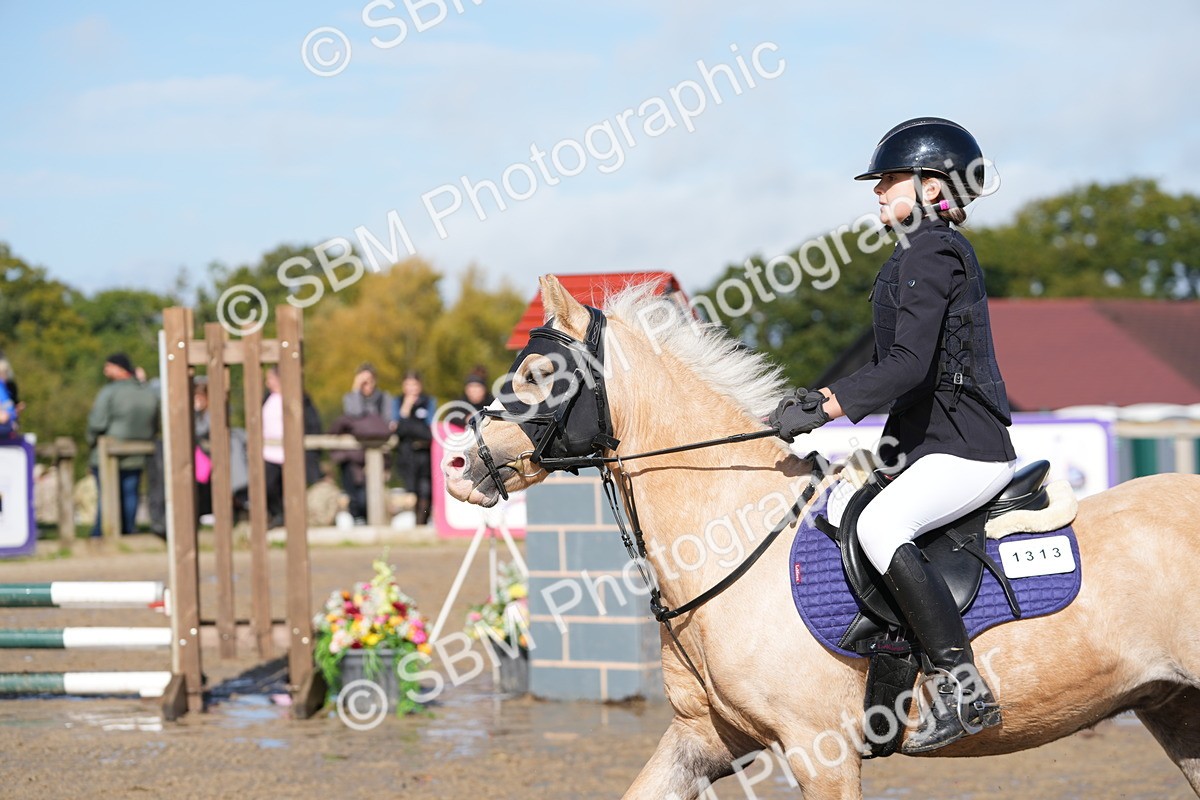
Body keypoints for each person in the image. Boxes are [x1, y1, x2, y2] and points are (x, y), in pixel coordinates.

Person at [769, 118, 1017, 753]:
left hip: (966, 447)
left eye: (889, 179)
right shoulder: (916, 253)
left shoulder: (930, 252)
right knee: (845, 505)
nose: (877, 191)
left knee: (881, 528)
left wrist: (826, 405)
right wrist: (826, 406)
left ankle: (963, 687)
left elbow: (906, 366)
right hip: (930, 444)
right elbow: (912, 378)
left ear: (934, 184)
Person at [86, 353, 159, 536]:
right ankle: (128, 531)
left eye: (108, 366)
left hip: (107, 453)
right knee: (130, 493)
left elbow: (96, 423)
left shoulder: (110, 392)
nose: (105, 370)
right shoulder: (148, 392)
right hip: (138, 453)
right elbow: (155, 423)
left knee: (107, 494)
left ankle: (102, 533)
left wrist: (91, 441)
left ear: (120, 369)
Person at [330, 364, 392, 523]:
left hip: (377, 456)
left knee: (368, 495)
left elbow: (384, 423)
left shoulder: (385, 398)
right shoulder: (350, 397)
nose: (366, 385)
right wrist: (355, 390)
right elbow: (354, 412)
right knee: (354, 495)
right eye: (362, 381)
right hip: (352, 457)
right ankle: (358, 521)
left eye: (369, 381)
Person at [392, 370, 436, 525]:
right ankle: (414, 523)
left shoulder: (428, 401)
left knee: (426, 490)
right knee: (411, 490)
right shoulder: (397, 402)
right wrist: (405, 409)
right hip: (406, 454)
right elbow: (396, 428)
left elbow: (430, 429)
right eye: (408, 384)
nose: (411, 388)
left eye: (414, 384)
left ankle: (422, 521)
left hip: (424, 453)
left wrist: (407, 426)